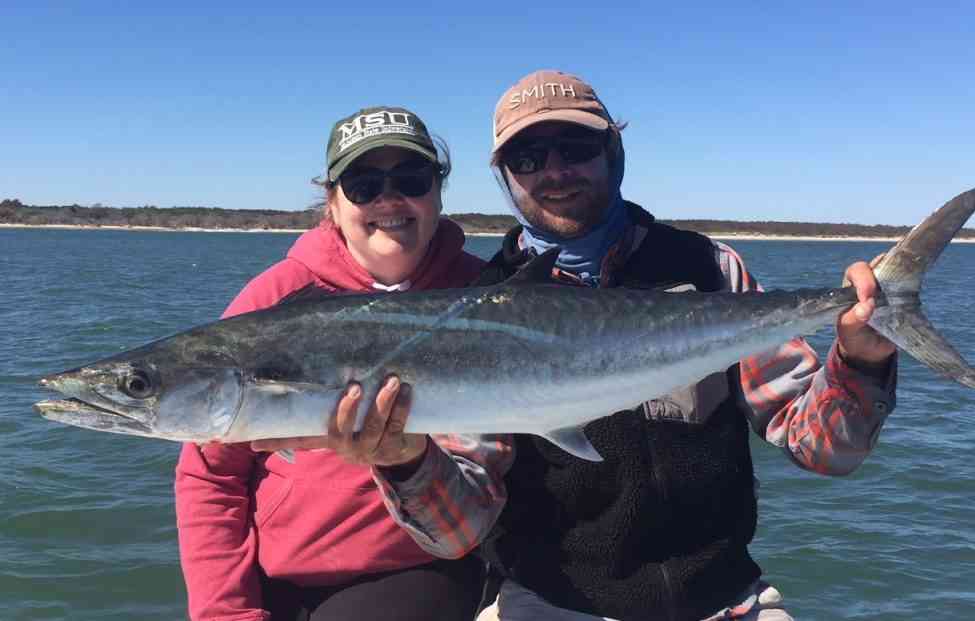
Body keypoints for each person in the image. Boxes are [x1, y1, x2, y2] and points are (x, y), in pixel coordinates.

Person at [260, 71, 898, 621]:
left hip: (724, 602)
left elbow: (824, 450)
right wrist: (402, 459)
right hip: (546, 605)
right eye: (528, 159)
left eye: (576, 147)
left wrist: (862, 361)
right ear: (506, 177)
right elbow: (460, 531)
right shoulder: (477, 305)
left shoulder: (708, 271)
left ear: (613, 152)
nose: (555, 172)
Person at [174, 106, 487, 621]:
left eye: (411, 179)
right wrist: (226, 613)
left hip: (415, 570)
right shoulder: (274, 298)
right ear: (333, 202)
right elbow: (210, 477)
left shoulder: (487, 298)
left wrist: (403, 456)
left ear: (437, 192)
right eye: (363, 184)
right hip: (277, 572)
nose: (389, 199)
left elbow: (479, 488)